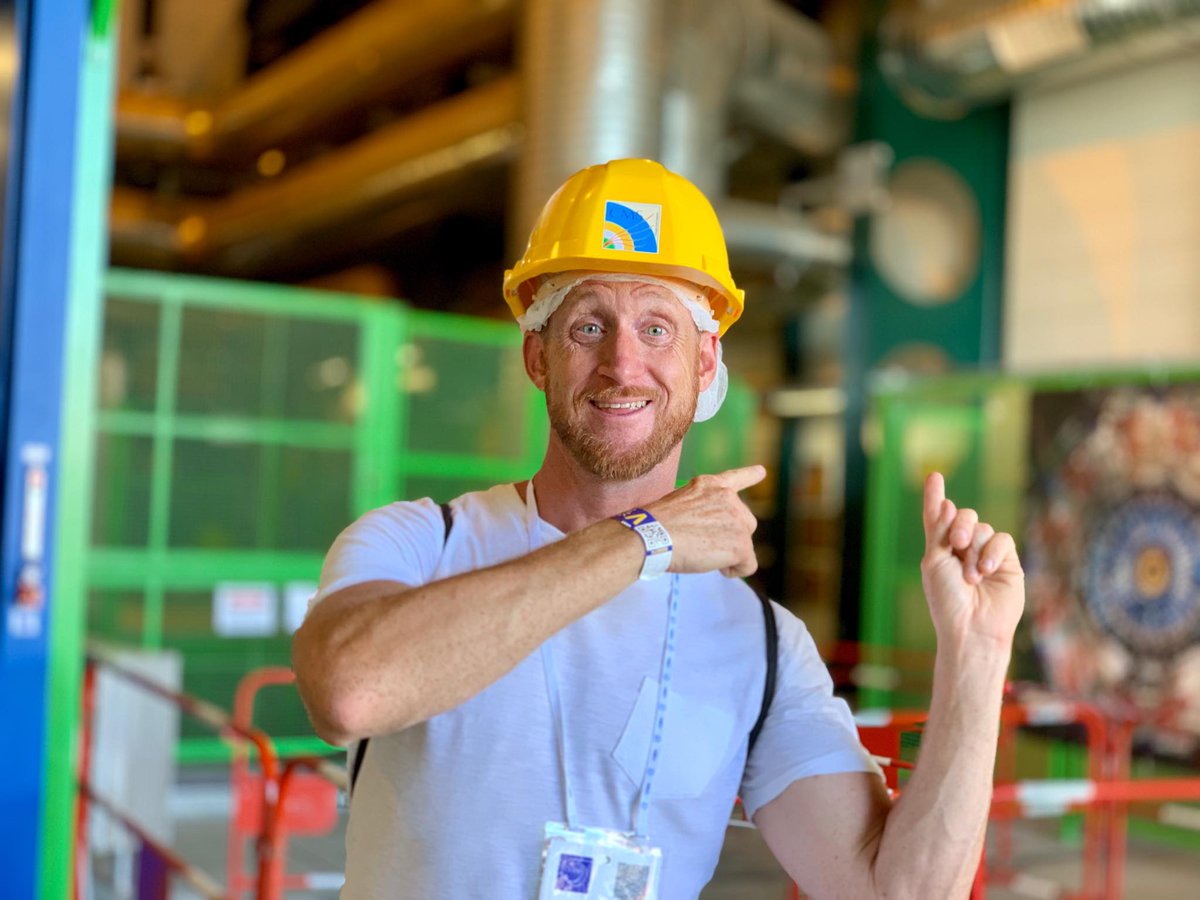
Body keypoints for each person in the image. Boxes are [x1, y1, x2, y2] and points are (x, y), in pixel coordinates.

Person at [292, 158, 1025, 899]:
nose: (623, 363)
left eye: (656, 327)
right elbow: (347, 693)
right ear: (536, 357)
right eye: (587, 326)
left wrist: (978, 657)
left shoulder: (761, 645)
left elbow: (898, 892)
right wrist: (644, 539)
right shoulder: (421, 545)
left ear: (706, 362)